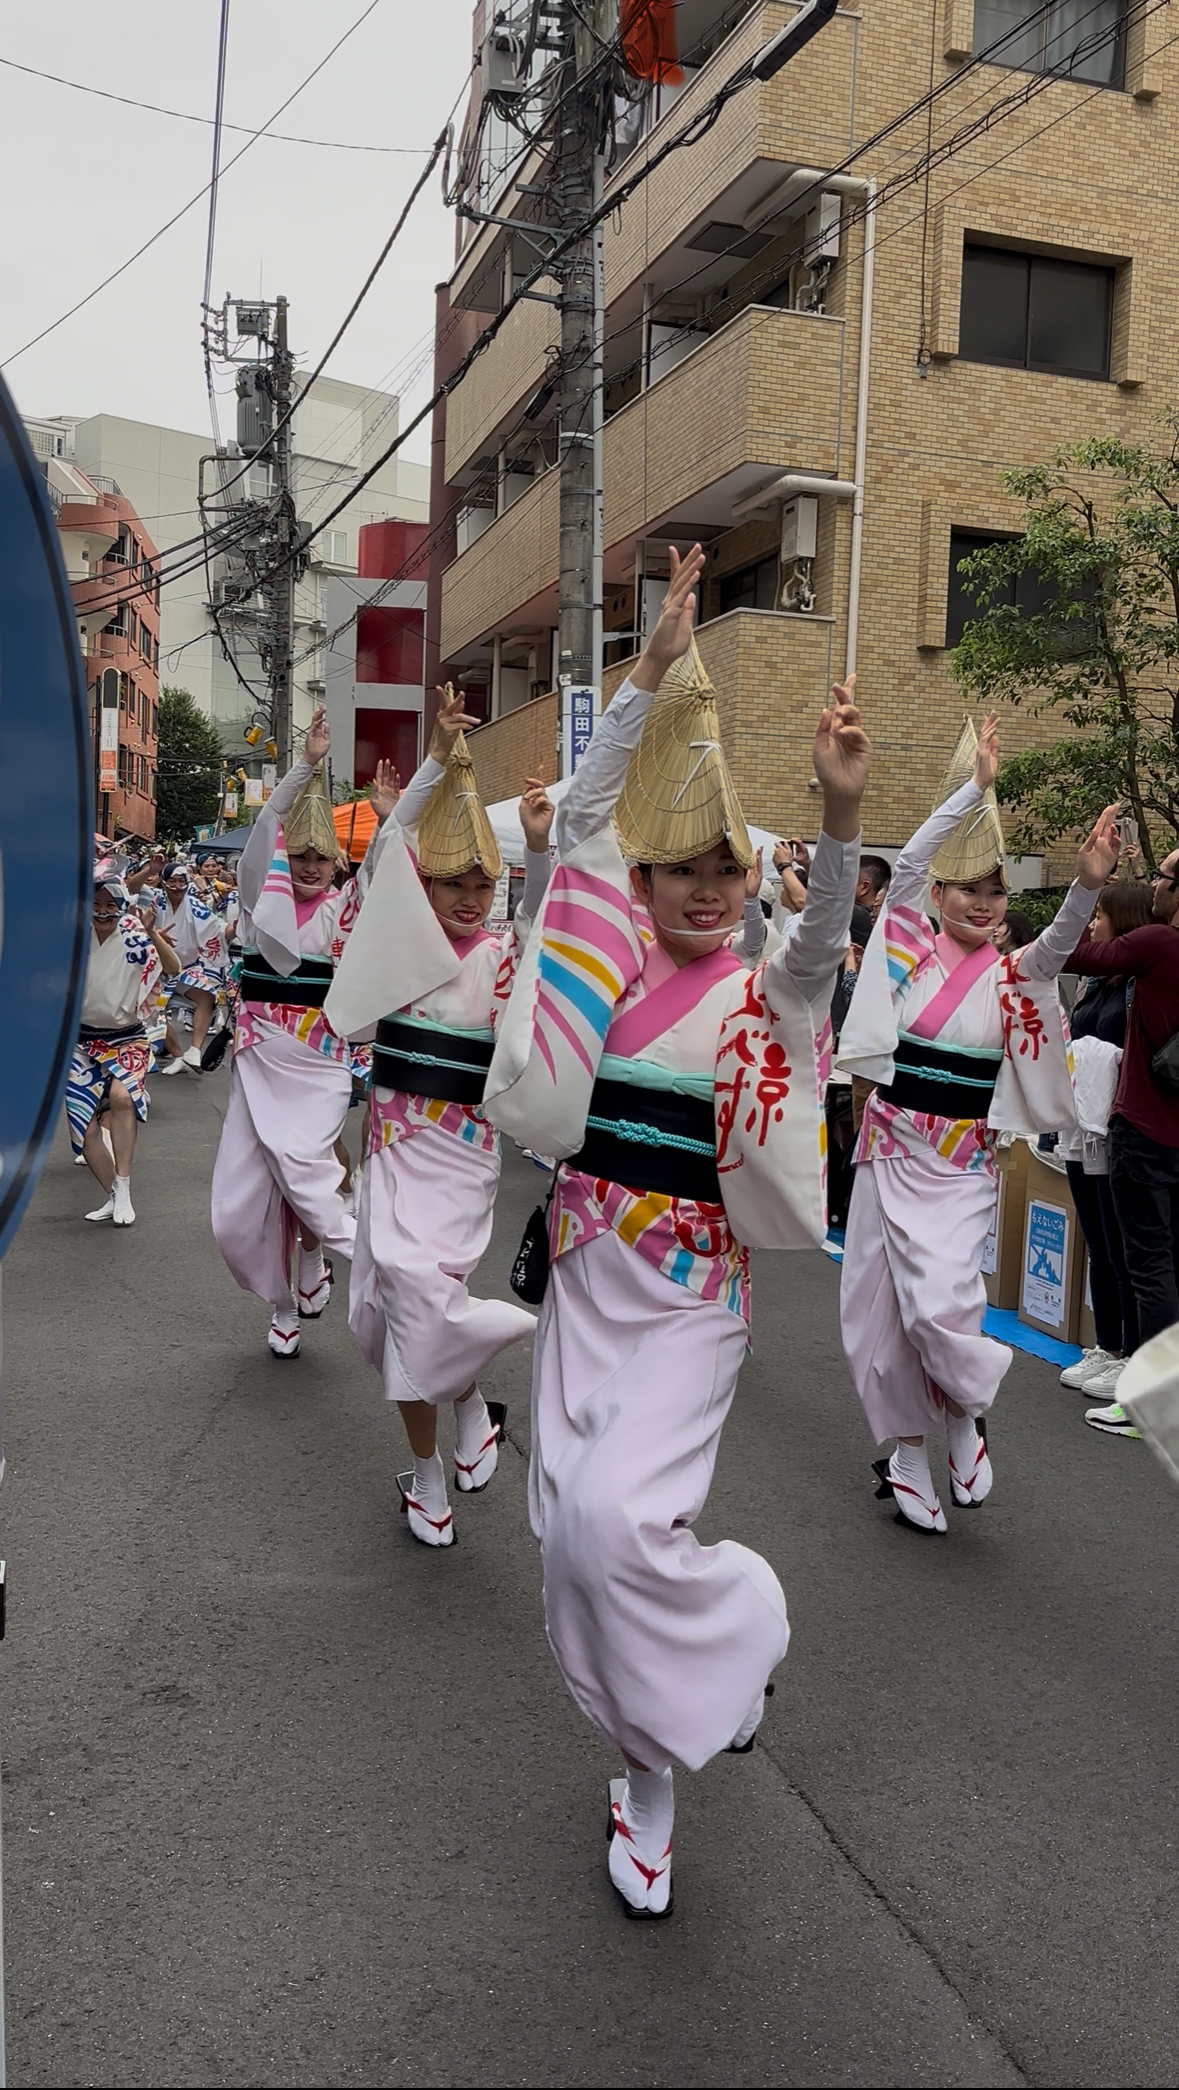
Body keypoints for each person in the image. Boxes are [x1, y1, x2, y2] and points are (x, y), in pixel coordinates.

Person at [483, 545, 867, 1918]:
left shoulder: (768, 990)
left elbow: (821, 934)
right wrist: (642, 673)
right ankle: (656, 1740)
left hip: (695, 1302)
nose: (707, 889)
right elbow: (581, 814)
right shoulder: (593, 958)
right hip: (589, 1281)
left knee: (611, 1520)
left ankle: (682, 1724)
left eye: (726, 869)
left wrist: (838, 813)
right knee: (567, 1538)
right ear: (637, 878)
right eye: (681, 869)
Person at [837, 714, 1121, 1533]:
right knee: (878, 1315)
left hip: (960, 1164)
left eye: (996, 893)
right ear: (937, 895)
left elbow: (1058, 943)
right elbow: (907, 863)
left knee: (943, 1307)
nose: (984, 903)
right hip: (889, 1149)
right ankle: (907, 1453)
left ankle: (963, 1413)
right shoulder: (904, 949)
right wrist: (972, 790)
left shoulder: (1009, 975)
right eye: (968, 889)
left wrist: (1085, 885)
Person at [325, 689, 554, 1546]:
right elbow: (381, 860)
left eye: (480, 883)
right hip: (391, 1150)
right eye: (452, 882)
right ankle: (446, 1440)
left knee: (415, 1294)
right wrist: (429, 764)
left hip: (459, 1159)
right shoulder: (394, 947)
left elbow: (542, 931)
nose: (469, 896)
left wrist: (537, 851)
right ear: (422, 886)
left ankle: (478, 1377)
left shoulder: (502, 958)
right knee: (385, 1316)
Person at [210, 709, 395, 1357]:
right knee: (234, 1212)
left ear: (338, 859)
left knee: (305, 1182)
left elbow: (379, 881)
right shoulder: (259, 905)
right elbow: (265, 827)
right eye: (301, 854)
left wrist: (387, 819)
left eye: (322, 856)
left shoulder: (344, 912)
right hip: (258, 1064)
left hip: (318, 1070)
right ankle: (285, 1295)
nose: (311, 865)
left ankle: (327, 1276)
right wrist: (307, 764)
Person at [1062, 845, 1179, 1437]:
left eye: (1162, 876)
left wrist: (1088, 883)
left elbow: (1070, 953)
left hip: (1146, 1129)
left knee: (1150, 1266)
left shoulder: (1159, 944)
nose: (1155, 883)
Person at [1055, 883, 1153, 1409]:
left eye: (1100, 916)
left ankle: (1132, 1355)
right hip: (1081, 1122)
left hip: (1115, 1124)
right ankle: (1108, 1344)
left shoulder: (1140, 984)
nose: (1093, 925)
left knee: (1122, 1245)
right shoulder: (1096, 982)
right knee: (1096, 1237)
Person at [68, 872, 181, 1225]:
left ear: (120, 907)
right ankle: (113, 1195)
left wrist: (152, 934)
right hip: (80, 1042)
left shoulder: (135, 938)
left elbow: (173, 967)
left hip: (126, 1037)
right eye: (96, 904)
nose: (102, 912)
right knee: (83, 1126)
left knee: (121, 1098)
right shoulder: (72, 938)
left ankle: (125, 1186)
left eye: (110, 905)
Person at [825, 903, 874, 1234]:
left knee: (864, 1140)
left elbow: (856, 997)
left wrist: (851, 965)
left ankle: (858, 1214)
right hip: (859, 1064)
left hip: (870, 1065)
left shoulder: (873, 962)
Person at [155, 863, 230, 1072]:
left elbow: (217, 928)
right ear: (164, 883)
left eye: (182, 881)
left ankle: (194, 1051)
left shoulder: (195, 905)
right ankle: (177, 1055)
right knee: (154, 1012)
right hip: (155, 970)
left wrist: (233, 929)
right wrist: (155, 933)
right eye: (172, 881)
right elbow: (139, 921)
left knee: (207, 997)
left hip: (186, 968)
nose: (177, 886)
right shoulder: (155, 901)